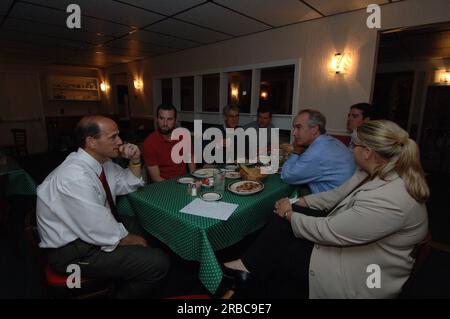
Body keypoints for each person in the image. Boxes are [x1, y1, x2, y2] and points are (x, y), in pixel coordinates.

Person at [223, 120, 429, 298]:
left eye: (353, 145)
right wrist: (297, 204)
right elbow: (335, 197)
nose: (350, 148)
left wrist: (288, 213)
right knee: (279, 228)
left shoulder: (390, 198)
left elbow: (330, 231)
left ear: (368, 152)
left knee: (278, 251)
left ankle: (253, 277)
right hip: (356, 246)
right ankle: (248, 266)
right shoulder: (372, 171)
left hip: (362, 274)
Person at [36, 115, 170, 298]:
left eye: (118, 136)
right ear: (91, 142)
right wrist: (135, 242)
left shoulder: (102, 163)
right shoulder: (75, 177)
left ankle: (131, 268)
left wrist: (135, 160)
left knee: (143, 225)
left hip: (89, 232)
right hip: (72, 253)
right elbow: (98, 229)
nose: (120, 141)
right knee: (158, 263)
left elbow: (128, 182)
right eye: (113, 137)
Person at [281, 109, 355, 193]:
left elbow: (287, 177)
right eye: (294, 128)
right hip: (345, 195)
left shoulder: (317, 152)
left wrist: (296, 152)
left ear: (314, 130)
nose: (294, 133)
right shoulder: (330, 141)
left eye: (298, 127)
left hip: (332, 203)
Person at [143, 104, 195, 182]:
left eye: (169, 119)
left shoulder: (184, 137)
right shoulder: (149, 143)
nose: (165, 123)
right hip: (163, 185)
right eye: (161, 118)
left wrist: (193, 178)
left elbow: (190, 157)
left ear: (175, 120)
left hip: (185, 181)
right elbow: (156, 179)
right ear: (157, 119)